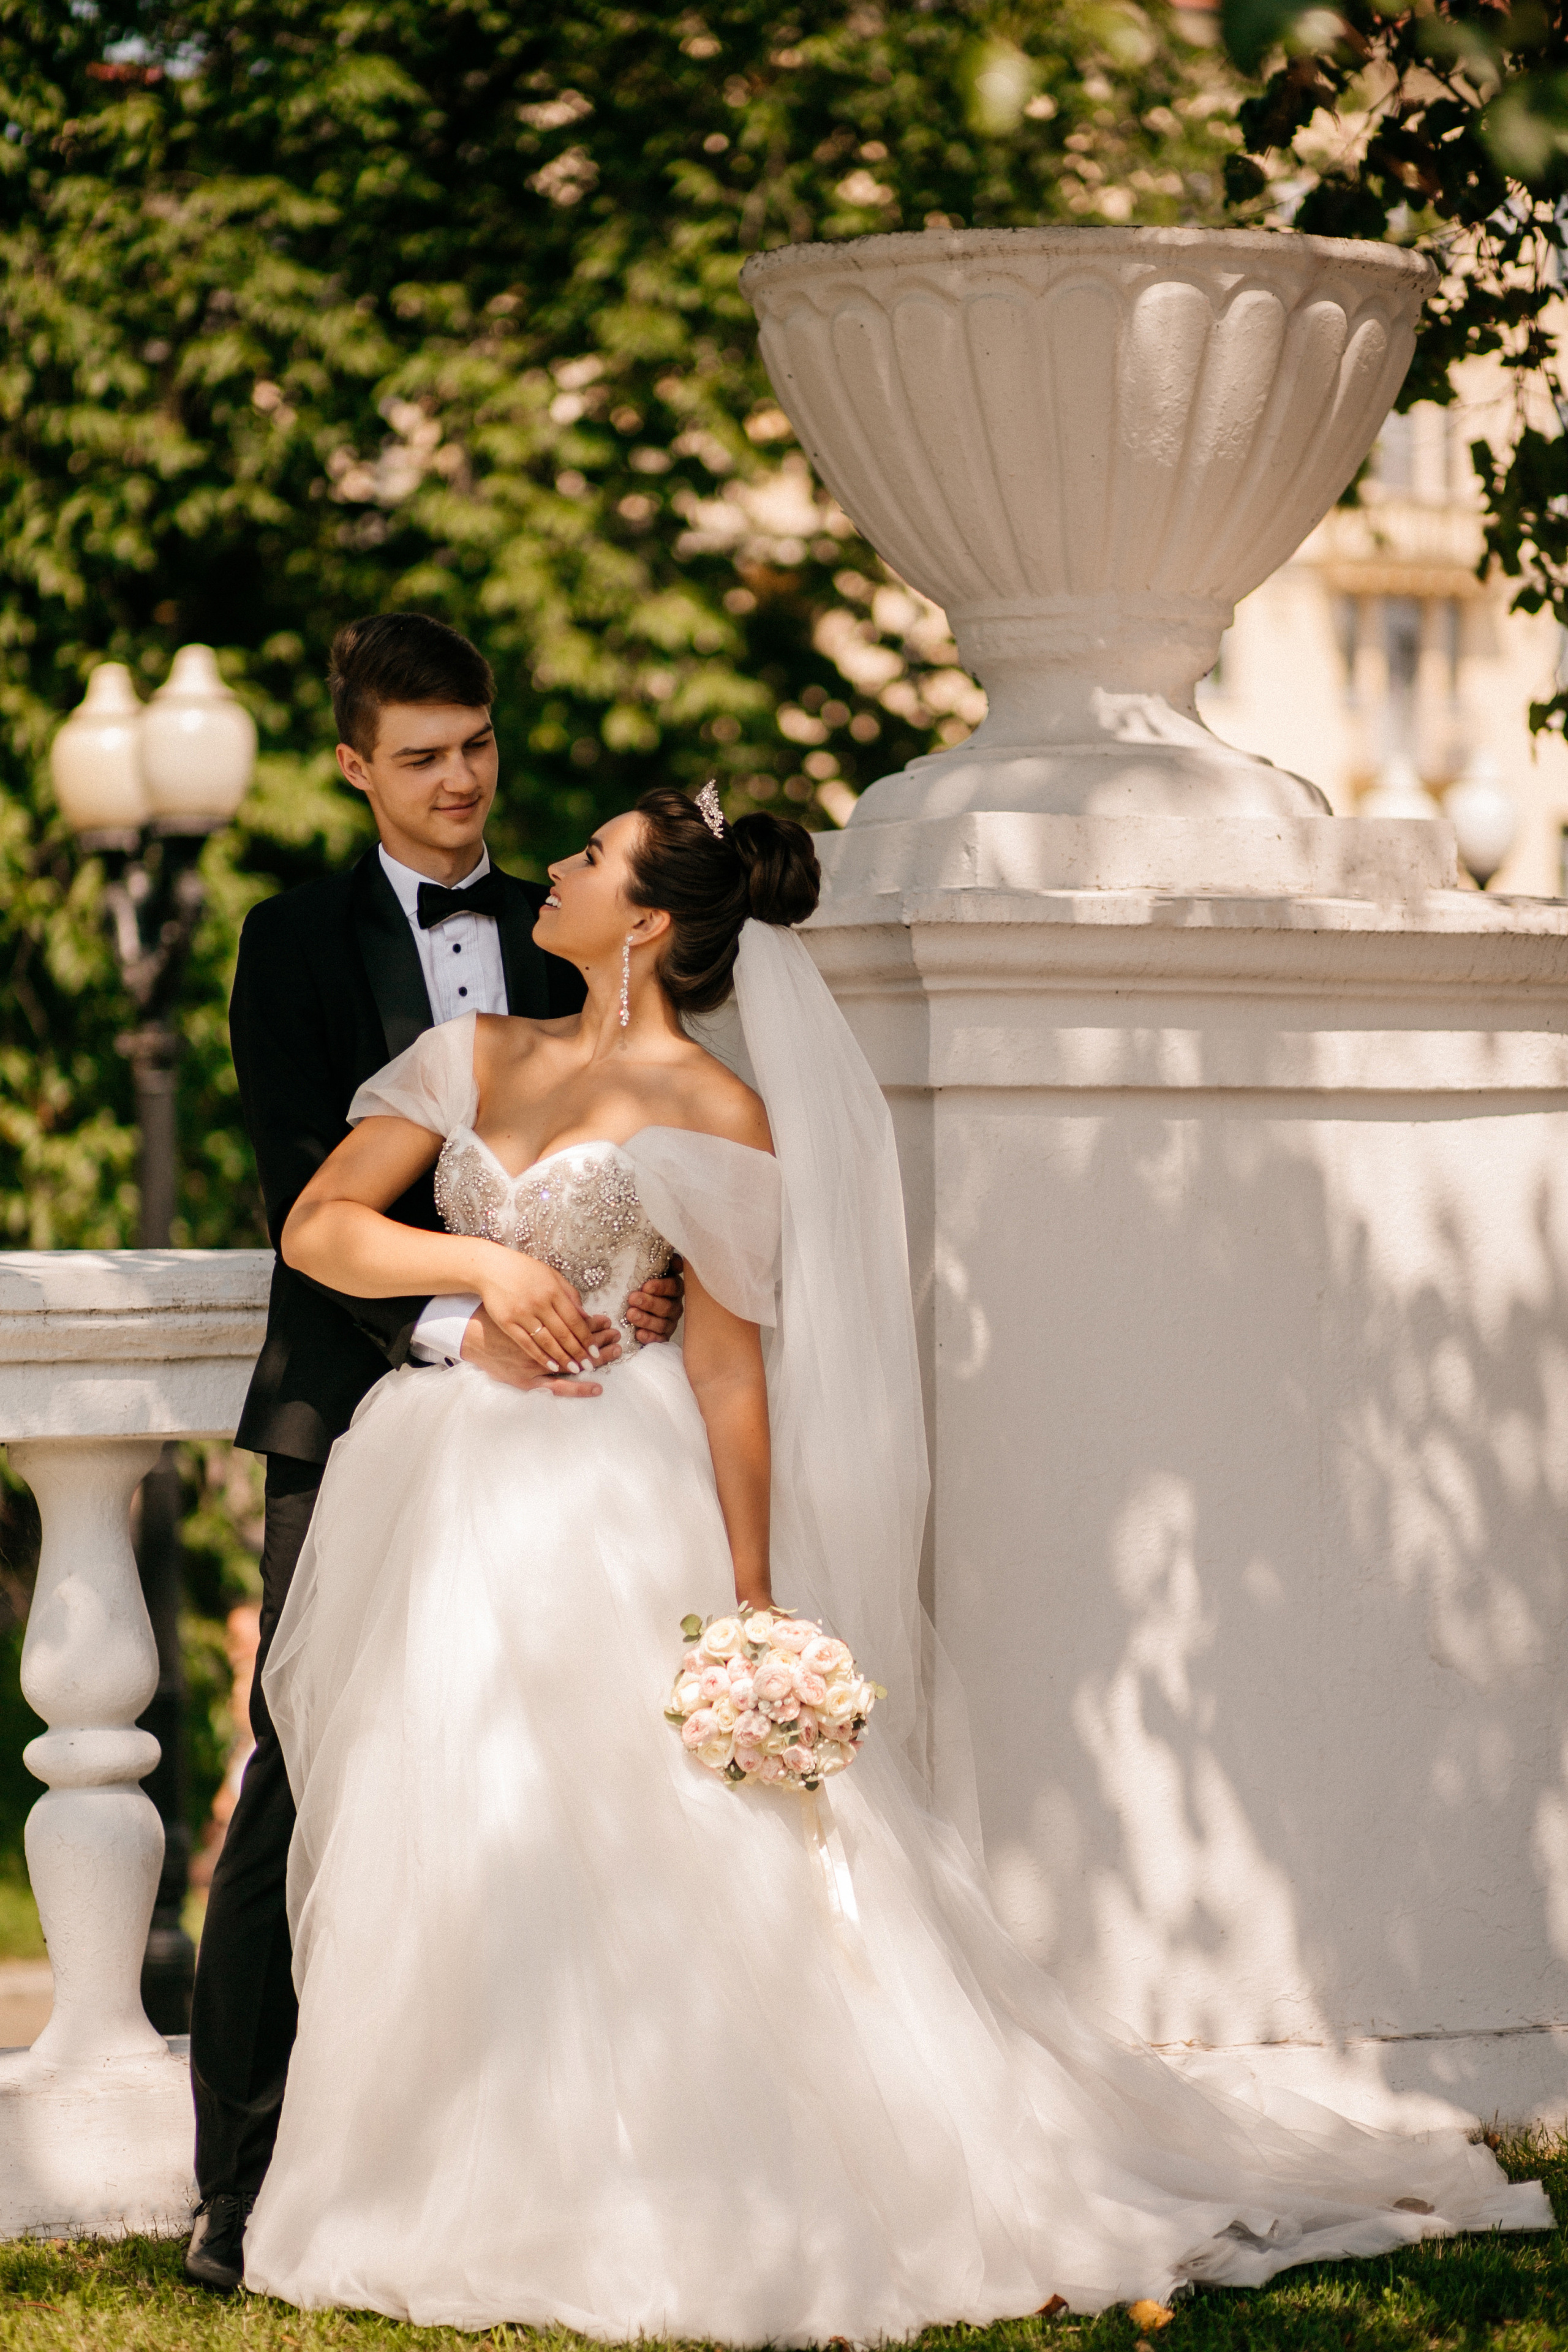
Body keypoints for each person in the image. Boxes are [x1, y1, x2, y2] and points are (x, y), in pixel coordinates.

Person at [241, 785, 1550, 2336]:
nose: (561, 868)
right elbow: (321, 1228)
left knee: (651, 1842)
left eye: (591, 858)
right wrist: (483, 1267)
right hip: (449, 1484)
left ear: (646, 920)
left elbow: (728, 1369)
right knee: (450, 1819)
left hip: (616, 1499)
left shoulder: (723, 1119)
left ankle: (656, 2174)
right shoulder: (475, 1056)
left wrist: (749, 1600)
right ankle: (420, 2174)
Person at [185, 614, 682, 2293]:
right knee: (309, 1770)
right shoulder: (291, 944)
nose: (461, 781)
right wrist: (464, 1325)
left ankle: (523, 2146)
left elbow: (625, 1120)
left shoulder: (564, 938)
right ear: (354, 766)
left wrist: (650, 1260)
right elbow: (301, 1208)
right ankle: (241, 2184)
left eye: (476, 743)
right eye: (421, 755)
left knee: (542, 1772)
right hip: (361, 1410)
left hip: (565, 1428)